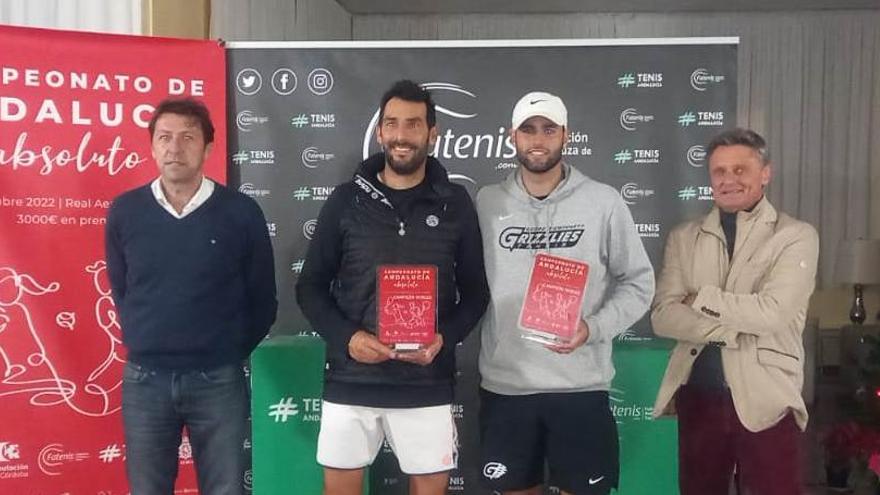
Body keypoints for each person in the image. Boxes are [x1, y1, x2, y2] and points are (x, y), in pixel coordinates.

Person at [295, 80, 490, 495]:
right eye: (393, 124)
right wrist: (348, 339)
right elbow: (310, 287)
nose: (402, 135)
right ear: (380, 131)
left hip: (426, 381)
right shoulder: (345, 200)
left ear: (432, 134)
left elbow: (476, 293)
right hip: (352, 378)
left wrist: (444, 338)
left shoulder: (455, 203)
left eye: (414, 125)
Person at [476, 91, 655, 495]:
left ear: (566, 135)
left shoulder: (603, 201)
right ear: (512, 137)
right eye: (528, 129)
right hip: (508, 386)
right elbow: (467, 284)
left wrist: (592, 328)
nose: (538, 139)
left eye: (548, 129)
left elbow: (639, 282)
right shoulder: (486, 203)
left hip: (580, 388)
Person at [105, 97, 277, 495]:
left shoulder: (240, 212)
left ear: (208, 148)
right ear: (151, 146)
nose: (174, 147)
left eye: (187, 137)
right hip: (145, 380)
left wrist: (223, 350)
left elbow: (263, 300)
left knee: (225, 488)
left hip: (218, 380)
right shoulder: (126, 212)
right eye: (164, 137)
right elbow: (123, 289)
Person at [651, 128, 819, 494]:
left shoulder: (795, 236)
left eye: (740, 170)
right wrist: (735, 326)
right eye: (719, 172)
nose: (729, 180)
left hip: (768, 400)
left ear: (765, 173)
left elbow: (772, 314)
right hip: (699, 396)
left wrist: (700, 299)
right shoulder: (684, 237)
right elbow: (663, 316)